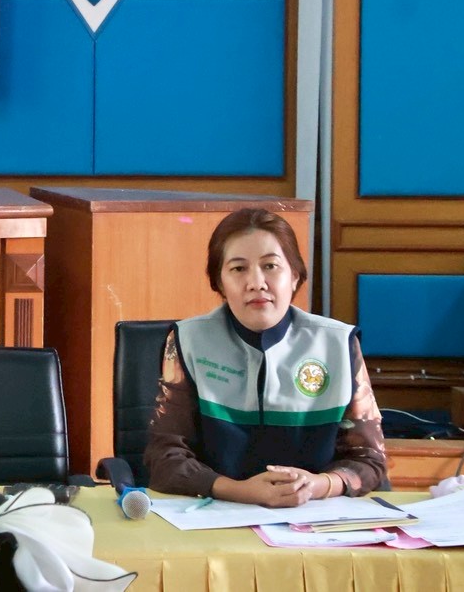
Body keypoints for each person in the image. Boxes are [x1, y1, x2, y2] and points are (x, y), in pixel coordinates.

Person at [144, 208, 387, 505]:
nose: (256, 283)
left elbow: (369, 460)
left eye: (270, 266)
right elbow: (164, 458)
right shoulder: (189, 341)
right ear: (219, 283)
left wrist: (317, 485)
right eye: (238, 269)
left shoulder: (337, 344)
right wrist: (240, 491)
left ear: (295, 276)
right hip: (217, 514)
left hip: (315, 517)